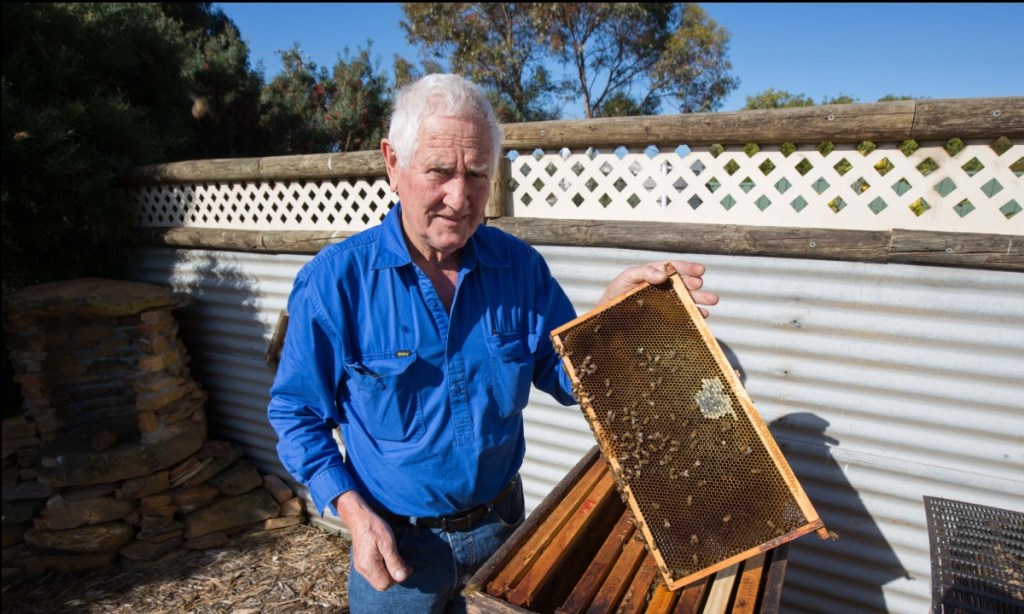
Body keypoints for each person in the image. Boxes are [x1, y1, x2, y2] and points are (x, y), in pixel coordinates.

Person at [267, 73, 719, 612]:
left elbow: (566, 376)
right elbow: (295, 412)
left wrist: (609, 319)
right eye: (439, 171)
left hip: (503, 532)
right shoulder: (335, 282)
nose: (459, 198)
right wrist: (352, 514)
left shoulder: (520, 268)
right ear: (393, 163)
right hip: (396, 547)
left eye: (477, 174)